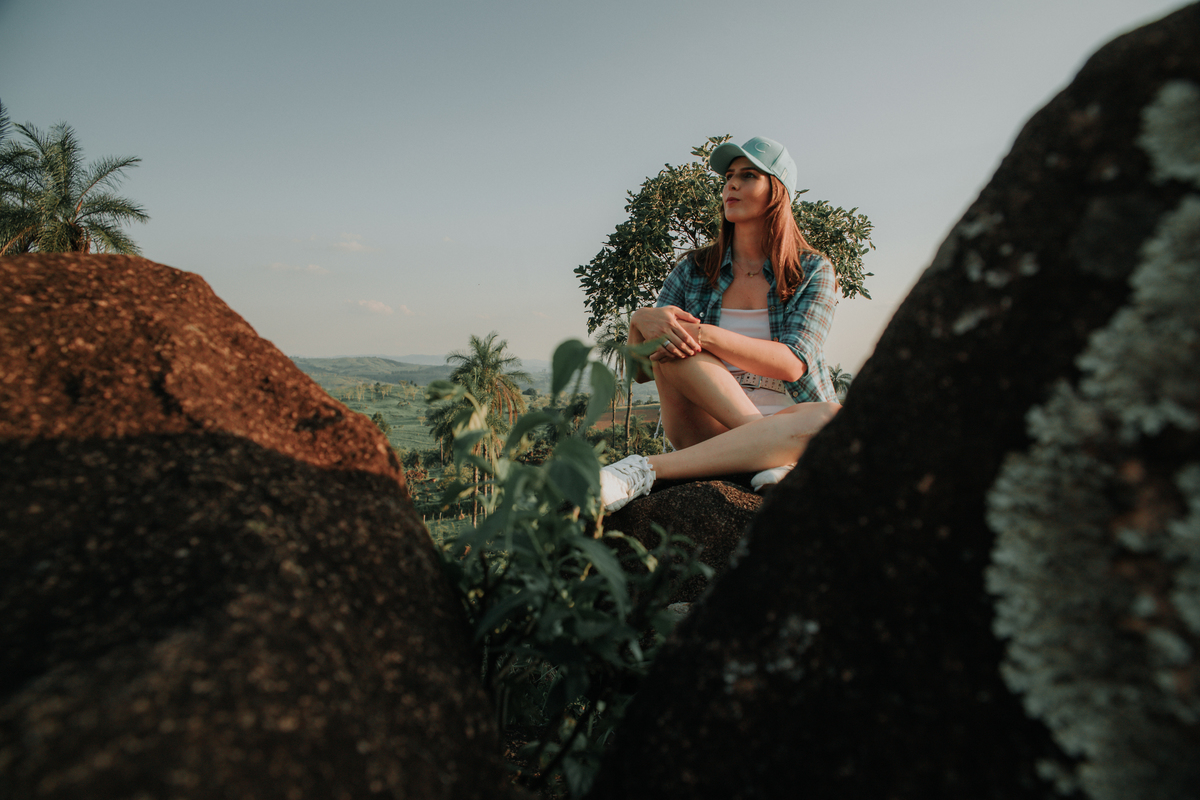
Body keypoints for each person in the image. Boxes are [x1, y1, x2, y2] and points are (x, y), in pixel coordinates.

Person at [599, 136, 842, 512]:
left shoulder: (812, 270)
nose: (731, 184)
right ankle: (771, 453)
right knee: (674, 342)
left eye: (748, 176)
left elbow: (793, 362)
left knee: (829, 417)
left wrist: (705, 333)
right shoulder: (693, 270)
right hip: (709, 429)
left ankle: (644, 470)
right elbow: (642, 371)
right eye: (729, 176)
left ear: (776, 192)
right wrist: (640, 321)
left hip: (796, 418)